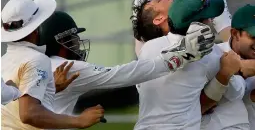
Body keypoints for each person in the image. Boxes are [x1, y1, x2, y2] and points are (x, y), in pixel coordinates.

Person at [129, 0, 247, 130]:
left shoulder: (148, 49)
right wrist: (230, 71)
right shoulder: (210, 55)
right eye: (207, 17)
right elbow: (236, 92)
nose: (210, 21)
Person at [1, 0, 106, 130]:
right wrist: (79, 121)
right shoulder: (36, 59)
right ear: (35, 28)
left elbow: (13, 105)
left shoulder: (3, 63)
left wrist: (49, 90)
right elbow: (28, 113)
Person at [37, 10, 216, 116]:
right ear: (59, 42)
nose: (77, 45)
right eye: (73, 40)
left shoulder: (33, 63)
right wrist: (180, 55)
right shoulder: (68, 68)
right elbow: (123, 75)